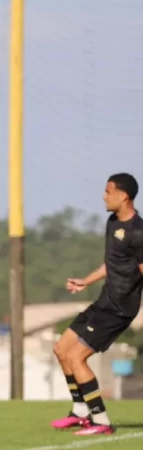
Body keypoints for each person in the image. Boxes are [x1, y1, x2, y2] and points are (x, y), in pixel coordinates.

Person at [52, 173, 143, 436]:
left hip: (119, 307)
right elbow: (112, 264)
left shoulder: (139, 231)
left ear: (123, 196)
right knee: (61, 349)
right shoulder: (112, 222)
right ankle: (81, 411)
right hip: (104, 300)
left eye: (108, 191)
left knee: (76, 357)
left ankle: (101, 421)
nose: (104, 196)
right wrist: (85, 282)